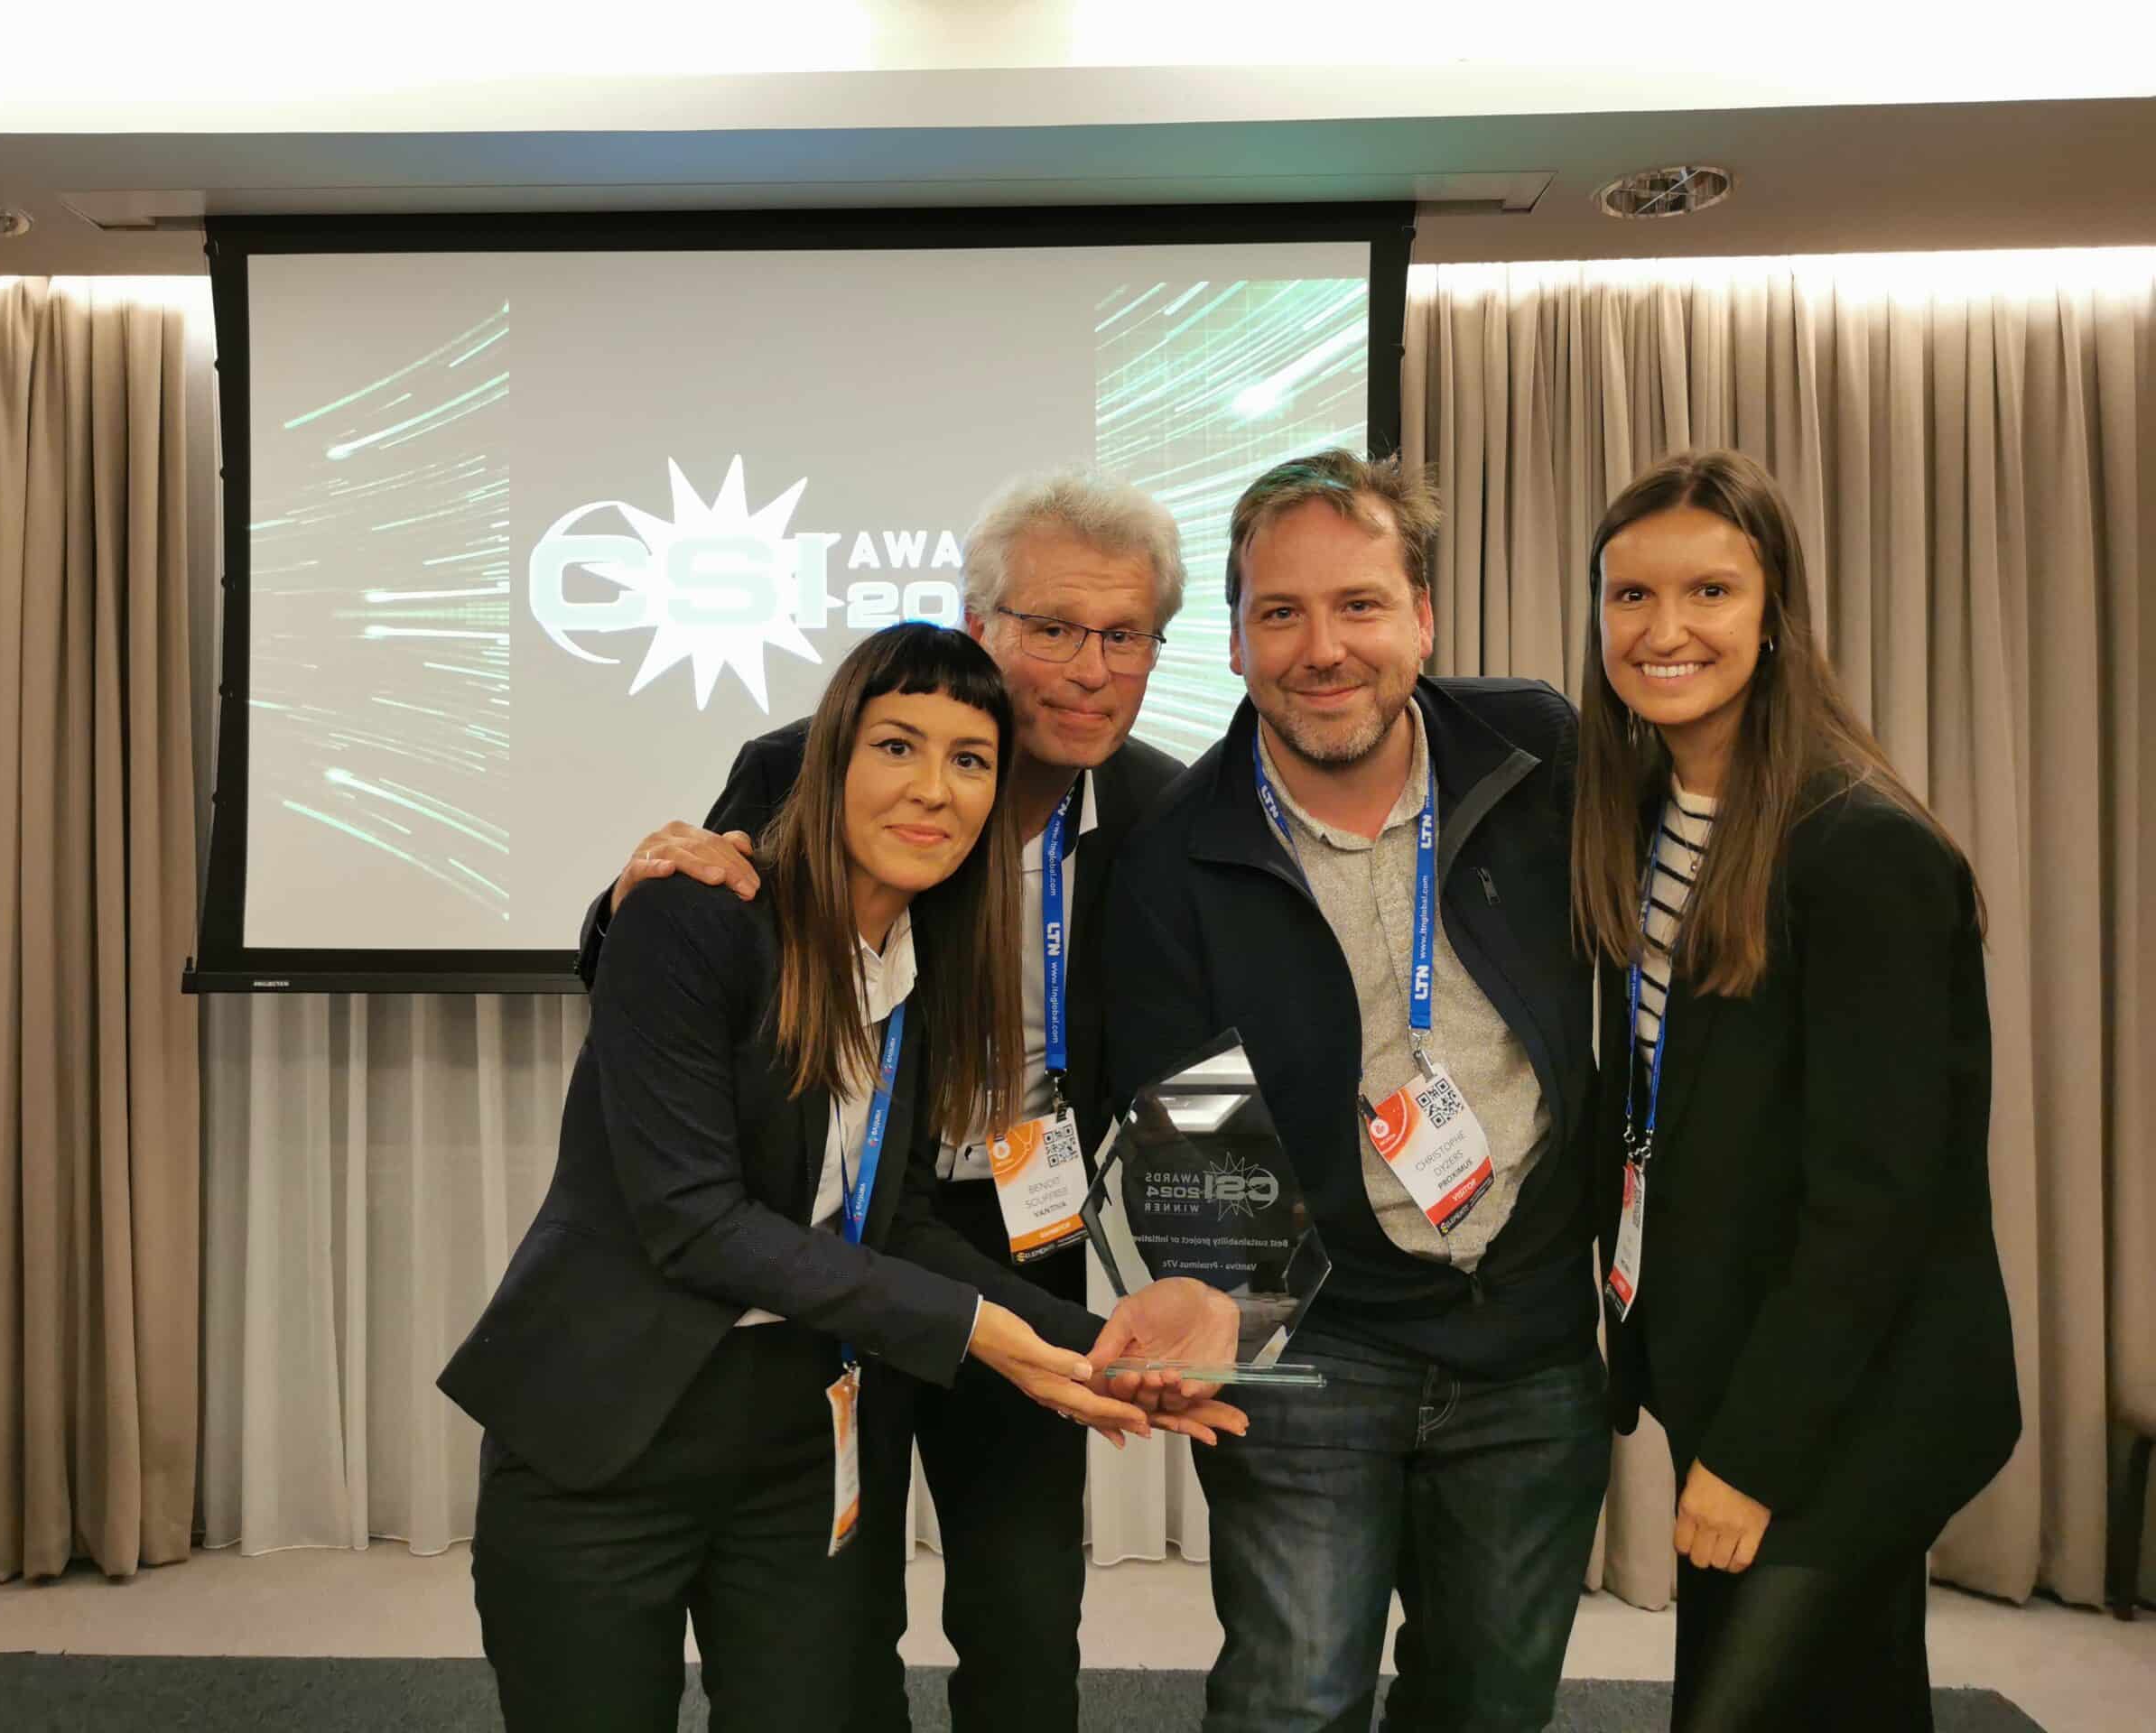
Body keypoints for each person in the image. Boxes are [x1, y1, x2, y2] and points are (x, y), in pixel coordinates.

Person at [441, 623, 1240, 1733]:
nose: (933, 789)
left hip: (794, 1439)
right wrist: (988, 1337)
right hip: (608, 1428)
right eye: (896, 746)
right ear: (828, 762)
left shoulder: (920, 968)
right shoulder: (692, 917)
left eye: (970, 761)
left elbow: (893, 1218)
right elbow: (694, 1222)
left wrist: (1093, 1348)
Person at [1101, 449, 1608, 1733]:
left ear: (1422, 618)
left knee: (1490, 1707)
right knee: (1292, 1701)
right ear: (1234, 640)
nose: (1322, 649)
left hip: (1531, 1338)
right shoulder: (1171, 857)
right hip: (1318, 1345)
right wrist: (1220, 1301)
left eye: (1359, 605)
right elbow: (1186, 1132)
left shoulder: (1539, 754)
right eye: (1280, 612)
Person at [1575, 449, 2020, 1730]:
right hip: (1739, 1364)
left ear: (1774, 612)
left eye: (1709, 592)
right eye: (1631, 595)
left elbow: (1876, 1203)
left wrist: (1752, 1455)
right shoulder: (1645, 815)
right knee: (1853, 1702)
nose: (1664, 630)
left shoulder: (1863, 849)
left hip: (1854, 1399)